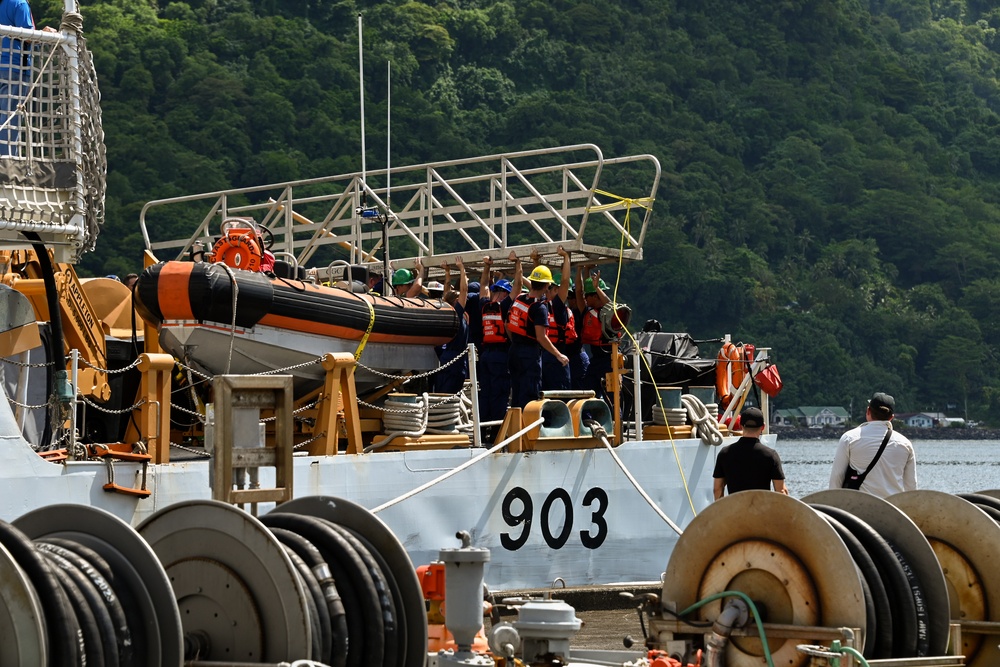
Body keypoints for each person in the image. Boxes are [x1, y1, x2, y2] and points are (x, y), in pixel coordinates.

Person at [829, 392, 917, 498]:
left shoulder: (849, 438)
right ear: (891, 417)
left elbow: (837, 477)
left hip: (858, 508)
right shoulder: (905, 444)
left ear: (868, 411)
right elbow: (911, 486)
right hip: (892, 509)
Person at [506, 263, 568, 409]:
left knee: (516, 392)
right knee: (529, 395)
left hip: (514, 350)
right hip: (529, 354)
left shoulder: (520, 299)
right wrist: (559, 355)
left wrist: (515, 342)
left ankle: (517, 428)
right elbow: (541, 337)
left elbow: (507, 324)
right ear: (547, 286)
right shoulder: (539, 307)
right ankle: (529, 430)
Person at [0, 1, 52, 156]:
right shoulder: (19, 3)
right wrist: (46, 33)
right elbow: (28, 36)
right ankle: (6, 163)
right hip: (14, 68)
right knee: (10, 118)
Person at [713, 407, 788, 500]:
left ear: (740, 426)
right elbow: (781, 491)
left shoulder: (725, 453)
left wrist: (722, 512)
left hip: (735, 511)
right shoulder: (771, 455)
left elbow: (717, 489)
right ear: (763, 427)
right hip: (761, 511)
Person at [432, 258, 469, 394]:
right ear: (456, 302)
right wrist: (461, 268)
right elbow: (464, 290)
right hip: (455, 360)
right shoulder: (456, 314)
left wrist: (447, 272)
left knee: (442, 392)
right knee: (451, 395)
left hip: (445, 357)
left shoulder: (445, 311)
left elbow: (446, 293)